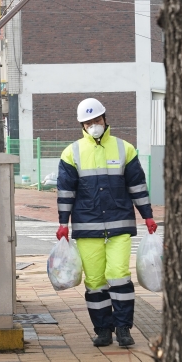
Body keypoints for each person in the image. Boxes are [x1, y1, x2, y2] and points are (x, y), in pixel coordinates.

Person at [56, 98, 157, 348]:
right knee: (94, 281)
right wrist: (63, 223)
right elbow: (65, 192)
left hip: (119, 223)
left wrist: (148, 215)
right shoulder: (72, 152)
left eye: (97, 120)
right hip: (87, 227)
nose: (94, 125)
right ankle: (103, 329)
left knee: (119, 275)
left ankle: (123, 328)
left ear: (105, 119)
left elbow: (137, 186)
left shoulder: (125, 149)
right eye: (88, 122)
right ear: (81, 124)